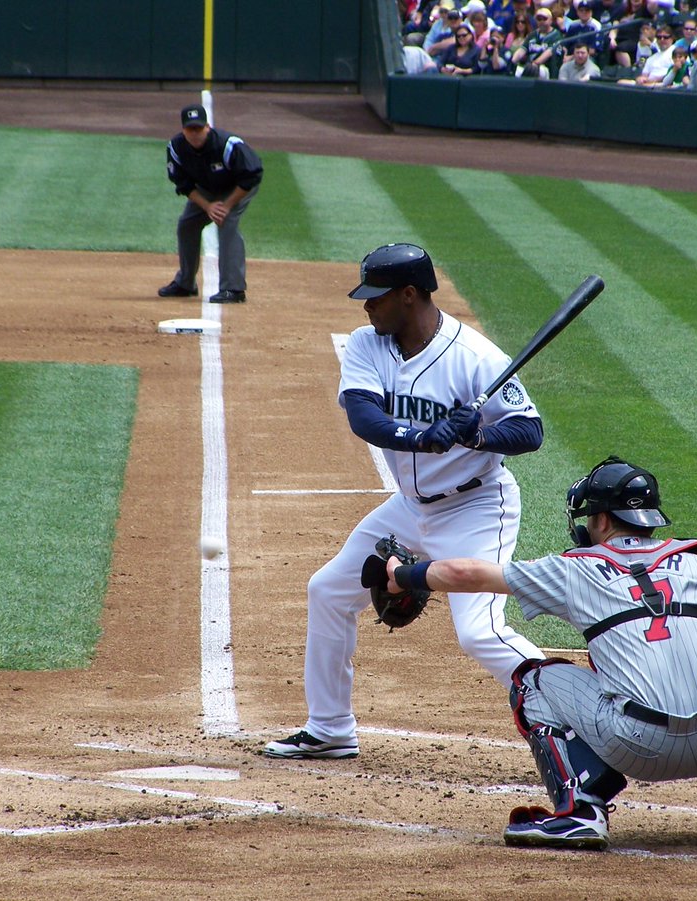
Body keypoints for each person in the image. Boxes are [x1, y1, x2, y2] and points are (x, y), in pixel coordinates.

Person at [380, 456, 697, 849]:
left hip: (635, 745)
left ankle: (581, 808)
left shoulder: (575, 570)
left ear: (604, 521)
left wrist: (403, 573)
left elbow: (465, 571)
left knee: (534, 681)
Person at [264, 243, 546, 760]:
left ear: (409, 296)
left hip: (476, 509)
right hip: (410, 509)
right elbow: (363, 417)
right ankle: (329, 729)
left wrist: (473, 438)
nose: (367, 307)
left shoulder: (478, 358)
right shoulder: (368, 345)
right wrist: (424, 436)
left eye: (377, 298)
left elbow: (530, 431)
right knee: (328, 591)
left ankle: (578, 720)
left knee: (480, 633)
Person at [160, 103, 262, 303]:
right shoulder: (177, 148)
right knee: (187, 225)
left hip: (237, 188)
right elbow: (183, 184)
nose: (195, 133)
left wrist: (226, 205)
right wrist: (207, 206)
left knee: (226, 221)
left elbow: (251, 176)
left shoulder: (228, 145)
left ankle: (234, 289)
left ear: (207, 127)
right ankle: (185, 283)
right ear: (183, 130)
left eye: (199, 128)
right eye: (191, 129)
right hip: (207, 190)